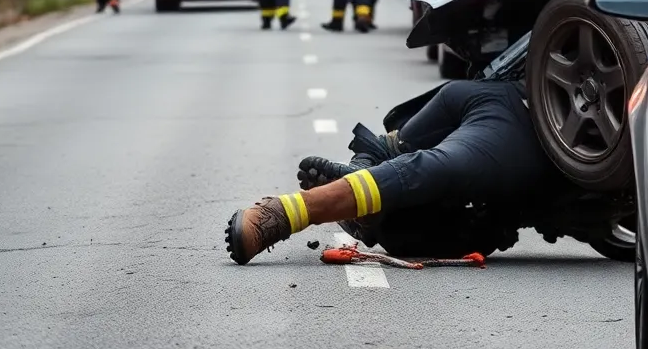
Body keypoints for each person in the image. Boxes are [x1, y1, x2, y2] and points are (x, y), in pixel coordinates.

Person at [224, 79, 554, 264]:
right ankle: (281, 213)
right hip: (522, 120)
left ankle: (363, 184)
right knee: (430, 167)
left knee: (400, 235)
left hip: (495, 115)